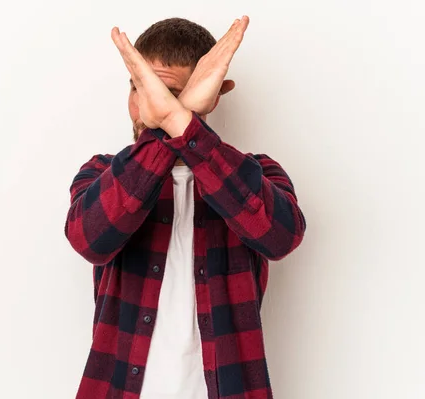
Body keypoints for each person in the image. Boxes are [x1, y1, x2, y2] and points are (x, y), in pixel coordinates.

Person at [64, 15, 306, 399]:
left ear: (213, 93)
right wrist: (180, 117)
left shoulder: (255, 174)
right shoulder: (102, 173)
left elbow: (280, 237)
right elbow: (89, 238)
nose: (148, 109)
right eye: (137, 88)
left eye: (165, 93)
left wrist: (180, 124)